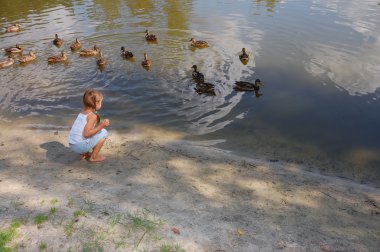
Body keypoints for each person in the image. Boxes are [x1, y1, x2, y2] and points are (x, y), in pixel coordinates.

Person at [68, 89, 110, 162]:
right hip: (79, 147)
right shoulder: (92, 116)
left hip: (72, 144)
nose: (101, 104)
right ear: (96, 103)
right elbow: (86, 134)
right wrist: (101, 126)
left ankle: (86, 153)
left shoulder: (82, 114)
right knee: (103, 132)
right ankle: (93, 157)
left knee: (95, 131)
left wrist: (99, 127)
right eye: (100, 102)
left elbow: (81, 132)